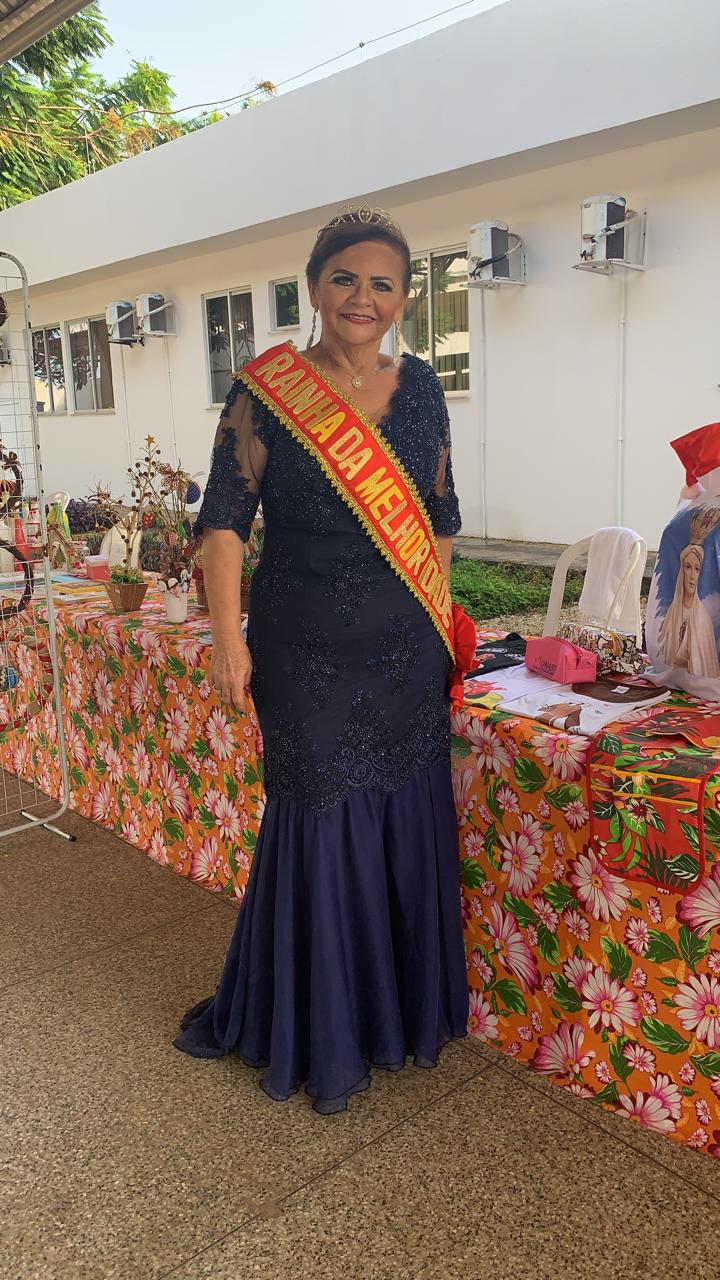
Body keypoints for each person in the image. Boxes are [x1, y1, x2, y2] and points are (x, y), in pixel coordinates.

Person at [174, 204, 469, 1113]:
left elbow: (440, 521)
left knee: (401, 805)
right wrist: (229, 640)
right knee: (319, 812)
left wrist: (441, 624)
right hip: (303, 650)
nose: (362, 298)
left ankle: (393, 1016)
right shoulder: (265, 389)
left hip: (405, 651)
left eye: (383, 284)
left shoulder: (422, 389)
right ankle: (317, 1028)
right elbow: (223, 526)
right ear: (312, 287)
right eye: (345, 278)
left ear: (404, 299)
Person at [657, 542, 720, 678]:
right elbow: (664, 655)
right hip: (672, 678)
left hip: (693, 682)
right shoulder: (672, 612)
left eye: (697, 569)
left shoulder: (703, 618)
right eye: (688, 567)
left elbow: (706, 668)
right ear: (682, 571)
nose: (692, 575)